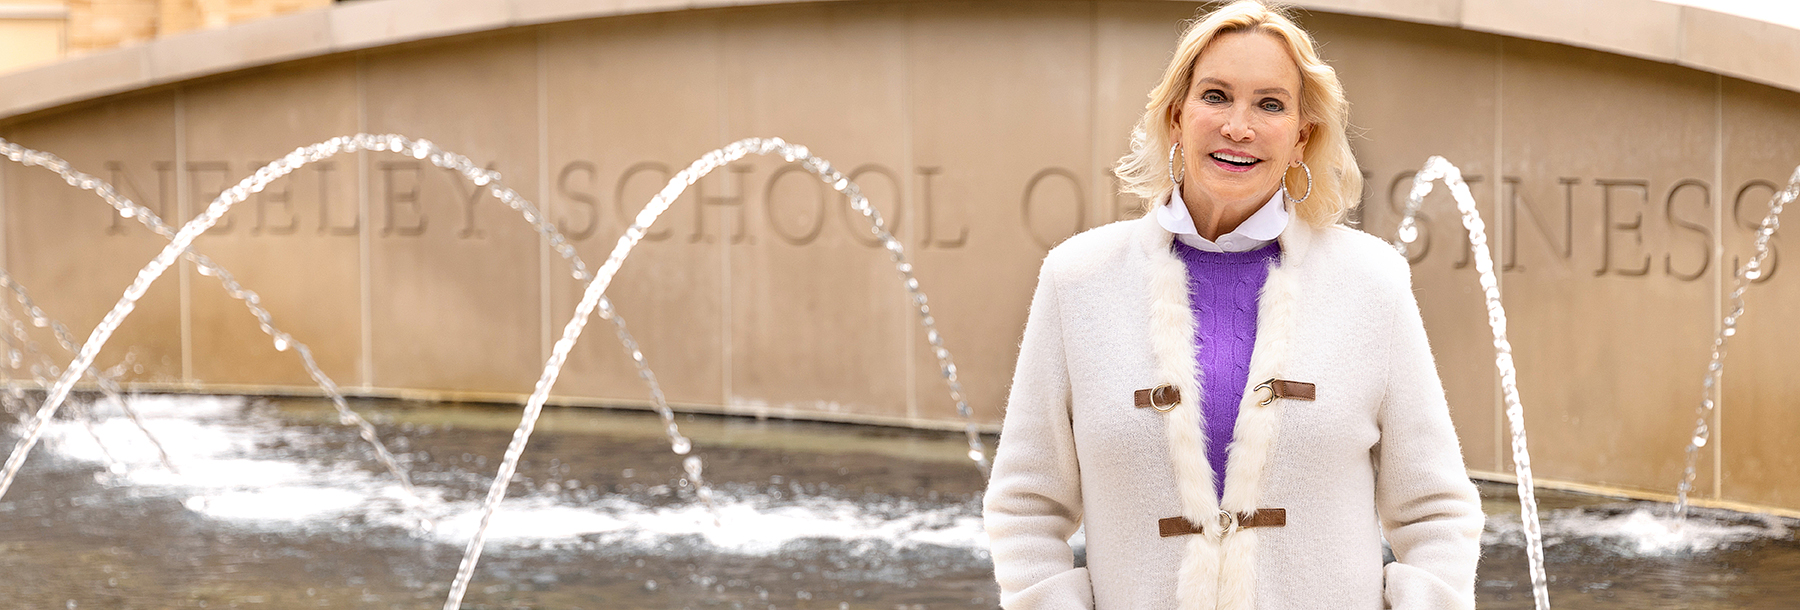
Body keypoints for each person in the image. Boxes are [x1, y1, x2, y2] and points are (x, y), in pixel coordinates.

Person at [981, 2, 1484, 609]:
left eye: (1270, 104)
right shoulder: (1076, 279)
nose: (1238, 127)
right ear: (1176, 115)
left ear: (1303, 134)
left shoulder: (1373, 282)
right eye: (1216, 96)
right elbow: (1026, 506)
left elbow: (1437, 513)